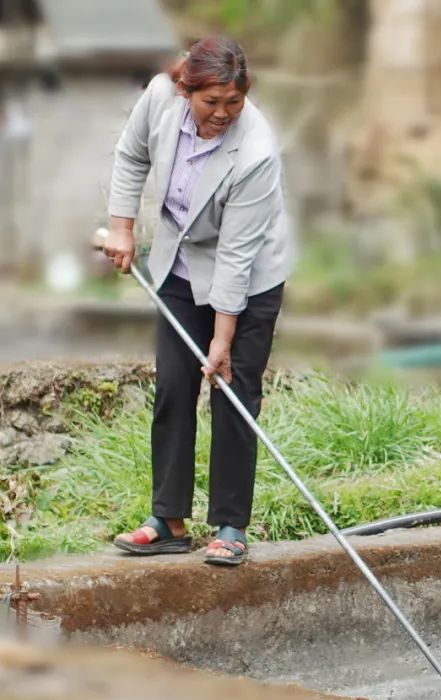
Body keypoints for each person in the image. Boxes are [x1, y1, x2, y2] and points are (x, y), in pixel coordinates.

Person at [104, 36, 292, 566]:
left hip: (247, 280)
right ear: (187, 90)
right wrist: (121, 228)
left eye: (234, 103)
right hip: (180, 267)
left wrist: (223, 339)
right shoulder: (161, 97)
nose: (223, 114)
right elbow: (131, 153)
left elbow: (236, 256)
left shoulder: (255, 151)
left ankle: (230, 524)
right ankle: (168, 519)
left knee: (232, 393)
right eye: (211, 102)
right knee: (173, 388)